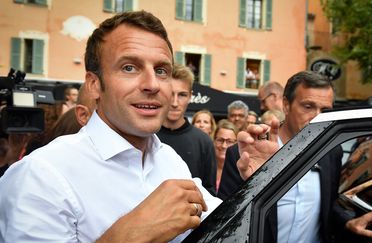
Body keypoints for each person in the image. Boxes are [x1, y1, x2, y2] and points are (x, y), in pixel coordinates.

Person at [0, 10, 222, 242]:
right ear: (94, 84)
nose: (152, 84)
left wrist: (262, 175)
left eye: (161, 70)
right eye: (129, 67)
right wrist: (132, 233)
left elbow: (230, 223)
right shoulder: (40, 175)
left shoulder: (170, 160)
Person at [235, 71, 372, 243]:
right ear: (286, 105)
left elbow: (328, 204)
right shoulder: (247, 154)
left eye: (325, 110)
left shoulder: (331, 153)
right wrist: (254, 184)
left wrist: (348, 223)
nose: (318, 117)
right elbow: (223, 222)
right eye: (308, 106)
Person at [157, 64, 217, 196]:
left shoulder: (204, 141)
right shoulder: (147, 136)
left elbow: (209, 191)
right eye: (170, 94)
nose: (174, 102)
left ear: (190, 96)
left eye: (182, 95)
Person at [213, 120, 238, 192]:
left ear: (236, 144)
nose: (224, 146)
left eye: (229, 141)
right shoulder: (205, 167)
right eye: (220, 140)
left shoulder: (240, 170)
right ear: (214, 140)